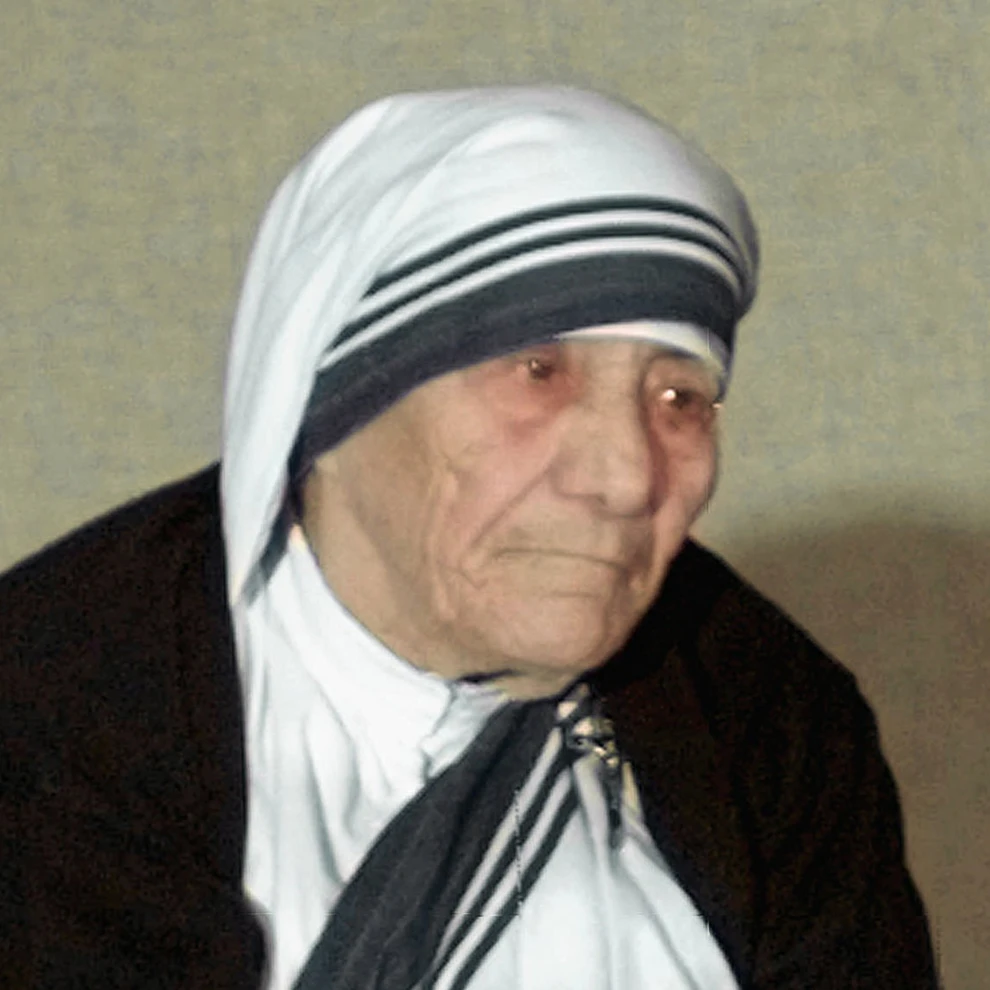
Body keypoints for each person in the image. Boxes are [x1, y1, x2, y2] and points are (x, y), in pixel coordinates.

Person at [0, 86, 938, 989]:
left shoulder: (765, 715)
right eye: (537, 372)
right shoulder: (60, 711)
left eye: (678, 398)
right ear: (331, 406)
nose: (625, 477)